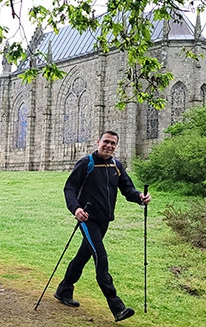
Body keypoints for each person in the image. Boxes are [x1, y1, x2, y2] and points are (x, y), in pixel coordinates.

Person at [54, 131, 151, 322]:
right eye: (106, 141)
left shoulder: (116, 166)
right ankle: (116, 306)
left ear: (116, 146)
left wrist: (140, 197)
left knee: (83, 256)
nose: (109, 145)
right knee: (101, 257)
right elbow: (70, 188)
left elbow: (127, 188)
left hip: (104, 220)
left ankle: (64, 289)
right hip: (87, 219)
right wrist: (76, 209)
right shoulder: (86, 163)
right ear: (98, 142)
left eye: (113, 143)